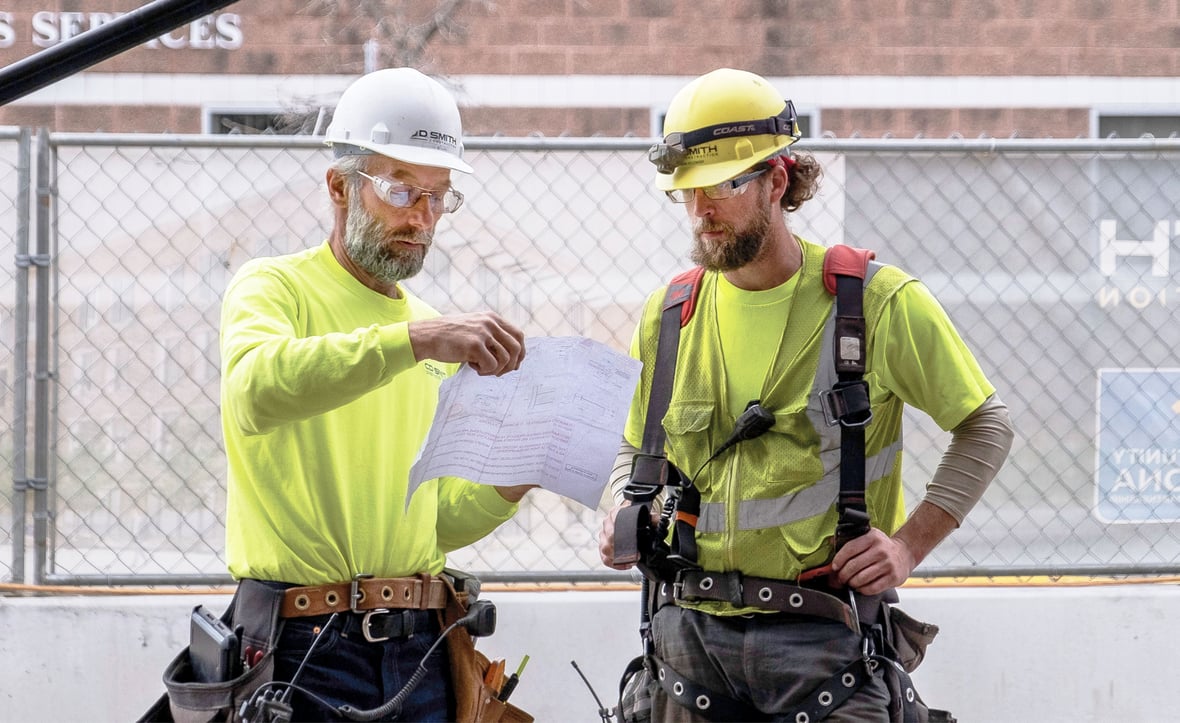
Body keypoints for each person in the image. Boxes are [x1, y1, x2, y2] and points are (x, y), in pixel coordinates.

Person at [598, 68, 1015, 722]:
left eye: (720, 188)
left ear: (777, 180)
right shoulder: (669, 316)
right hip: (684, 644)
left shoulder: (874, 304)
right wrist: (621, 503)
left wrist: (907, 545)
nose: (700, 211)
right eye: (687, 193)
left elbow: (985, 427)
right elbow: (634, 444)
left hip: (824, 646)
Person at [218, 67, 534, 721]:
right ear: (340, 186)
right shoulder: (274, 289)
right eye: (401, 190)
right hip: (303, 645)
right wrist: (414, 341)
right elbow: (257, 389)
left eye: (438, 197)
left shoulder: (430, 334)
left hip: (424, 646)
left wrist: (516, 474)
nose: (422, 217)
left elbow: (437, 519)